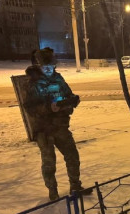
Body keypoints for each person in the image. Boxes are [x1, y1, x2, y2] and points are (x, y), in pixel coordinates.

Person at [24, 47, 91, 201]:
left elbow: (68, 93)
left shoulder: (58, 78)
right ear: (39, 66)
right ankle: (52, 191)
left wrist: (73, 100)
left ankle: (75, 185)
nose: (49, 70)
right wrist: (48, 108)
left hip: (60, 126)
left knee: (72, 155)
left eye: (52, 66)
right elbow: (29, 107)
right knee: (49, 163)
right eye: (45, 67)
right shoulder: (32, 82)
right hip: (44, 130)